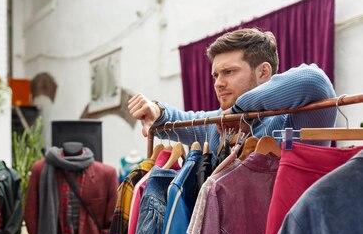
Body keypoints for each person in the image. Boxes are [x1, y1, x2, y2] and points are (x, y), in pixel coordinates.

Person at [128, 28, 337, 150]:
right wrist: (158, 112)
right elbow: (184, 119)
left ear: (264, 72)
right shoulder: (219, 126)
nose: (218, 83)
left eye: (229, 72)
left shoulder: (295, 119)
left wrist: (237, 112)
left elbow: (314, 80)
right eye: (216, 75)